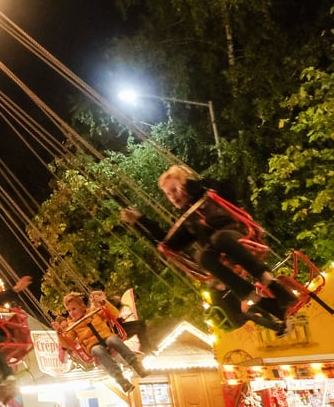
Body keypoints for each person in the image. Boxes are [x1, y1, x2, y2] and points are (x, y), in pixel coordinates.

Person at [121, 165, 296, 327]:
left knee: (219, 238)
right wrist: (140, 221)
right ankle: (262, 302)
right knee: (202, 256)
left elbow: (229, 189)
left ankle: (274, 286)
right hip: (221, 251)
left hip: (238, 234)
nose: (173, 197)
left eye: (175, 190)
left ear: (184, 185)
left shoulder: (209, 193)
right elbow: (168, 244)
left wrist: (193, 186)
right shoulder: (188, 220)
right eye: (168, 194)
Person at [61, 291, 148, 392]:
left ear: (83, 306)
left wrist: (103, 301)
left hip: (106, 336)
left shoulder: (94, 312)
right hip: (92, 345)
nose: (72, 312)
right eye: (69, 311)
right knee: (99, 350)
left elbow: (114, 314)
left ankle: (136, 364)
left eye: (74, 309)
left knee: (114, 340)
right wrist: (59, 333)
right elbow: (66, 343)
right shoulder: (72, 326)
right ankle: (120, 379)